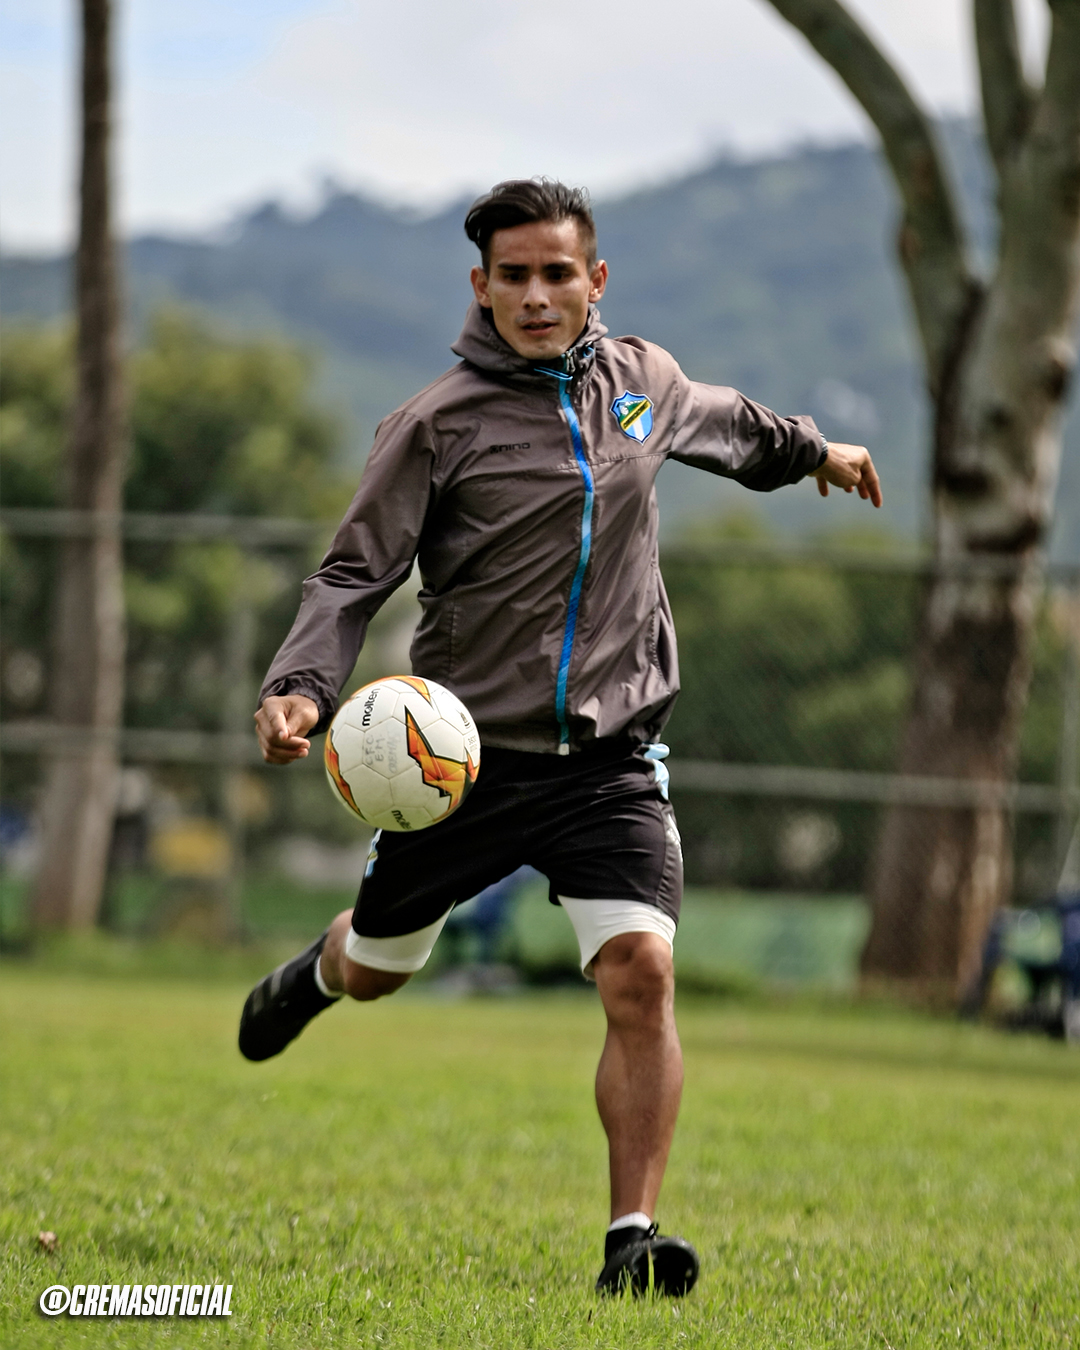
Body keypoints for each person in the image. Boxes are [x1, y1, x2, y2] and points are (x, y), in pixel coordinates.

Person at [238, 178, 882, 1297]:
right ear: (480, 285)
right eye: (514, 276)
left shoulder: (643, 384)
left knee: (640, 971)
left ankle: (631, 1238)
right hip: (463, 767)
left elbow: (737, 428)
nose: (537, 296)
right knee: (387, 968)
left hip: (613, 758)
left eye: (557, 272)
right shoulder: (434, 425)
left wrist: (819, 452)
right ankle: (324, 969)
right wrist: (299, 687)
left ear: (596, 279)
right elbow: (354, 573)